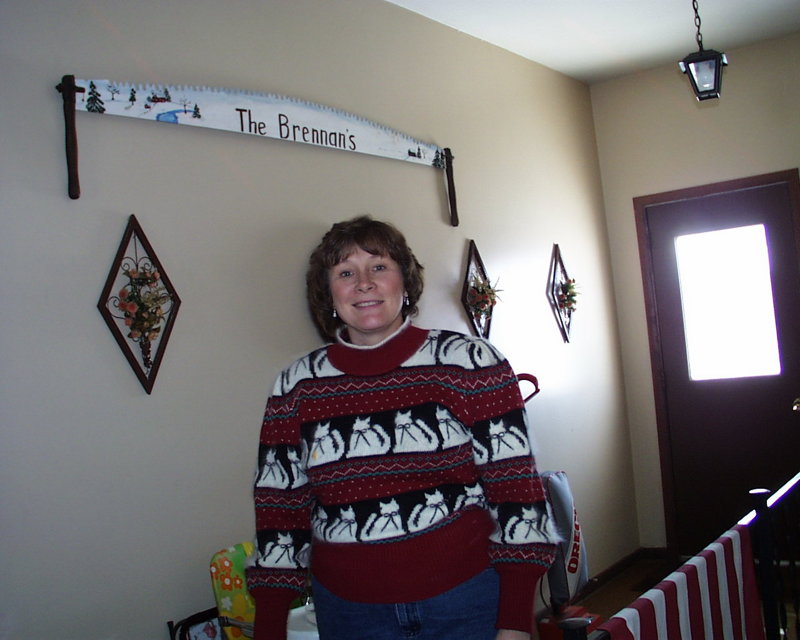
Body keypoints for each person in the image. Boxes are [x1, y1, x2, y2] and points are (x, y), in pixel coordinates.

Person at [246, 216, 558, 640]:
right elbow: (279, 508)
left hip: (466, 601)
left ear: (405, 283)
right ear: (328, 293)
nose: (364, 283)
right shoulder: (296, 386)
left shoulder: (469, 363)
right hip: (349, 614)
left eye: (379, 266)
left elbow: (517, 490)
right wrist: (269, 625)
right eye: (345, 273)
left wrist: (516, 621)